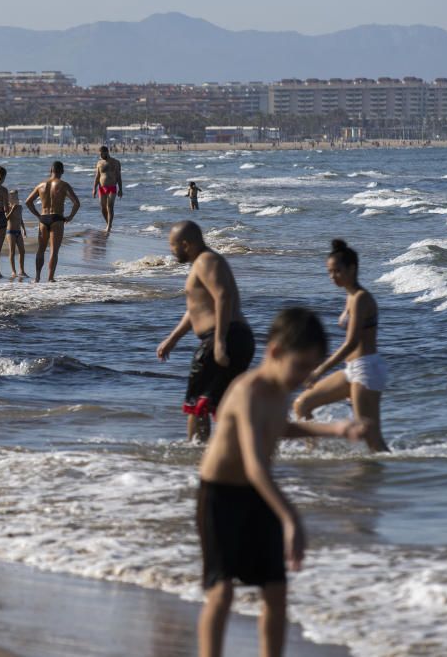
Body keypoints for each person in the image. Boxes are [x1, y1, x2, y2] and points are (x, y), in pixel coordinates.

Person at [197, 307, 368, 657]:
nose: (306, 376)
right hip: (221, 496)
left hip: (257, 494)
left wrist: (336, 429)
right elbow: (255, 464)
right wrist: (291, 518)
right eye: (301, 366)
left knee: (275, 591)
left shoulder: (280, 388)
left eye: (312, 367)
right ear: (275, 352)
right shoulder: (249, 391)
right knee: (222, 590)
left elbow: (281, 428)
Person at [156, 221, 254, 442]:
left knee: (196, 404)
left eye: (173, 246)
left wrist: (219, 342)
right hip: (234, 337)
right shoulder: (204, 262)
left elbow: (223, 297)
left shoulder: (206, 261)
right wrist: (173, 339)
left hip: (223, 337)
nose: (171, 251)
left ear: (186, 244)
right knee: (220, 403)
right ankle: (235, 451)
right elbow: (196, 309)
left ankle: (197, 456)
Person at [293, 240, 390, 452]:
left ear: (352, 268)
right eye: (329, 272)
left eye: (337, 271)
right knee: (302, 404)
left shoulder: (361, 299)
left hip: (366, 370)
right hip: (351, 370)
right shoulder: (350, 296)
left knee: (371, 438)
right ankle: (313, 454)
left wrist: (320, 369)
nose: (332, 276)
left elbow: (352, 342)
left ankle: (390, 479)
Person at [24, 161, 80, 283]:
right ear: (62, 171)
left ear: (51, 170)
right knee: (54, 251)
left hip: (43, 219)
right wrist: (70, 216)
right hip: (57, 218)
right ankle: (50, 278)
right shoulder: (64, 185)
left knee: (41, 249)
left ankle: (37, 277)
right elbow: (76, 203)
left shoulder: (41, 185)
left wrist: (38, 215)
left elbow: (28, 201)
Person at [92, 146, 122, 232]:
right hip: (102, 188)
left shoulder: (116, 162)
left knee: (110, 206)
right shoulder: (99, 163)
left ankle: (108, 226)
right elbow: (97, 177)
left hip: (112, 187)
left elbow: (119, 177)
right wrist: (94, 188)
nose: (100, 155)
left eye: (102, 154)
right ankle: (108, 223)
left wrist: (120, 189)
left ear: (106, 152)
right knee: (103, 208)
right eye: (100, 154)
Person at [6, 189, 28, 278]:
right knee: (12, 251)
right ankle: (13, 271)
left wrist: (24, 229)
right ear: (10, 198)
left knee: (22, 251)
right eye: (13, 196)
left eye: (16, 196)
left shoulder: (20, 207)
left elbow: (20, 219)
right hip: (10, 232)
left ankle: (22, 271)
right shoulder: (7, 207)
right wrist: (12, 209)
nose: (15, 198)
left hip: (18, 231)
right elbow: (6, 219)